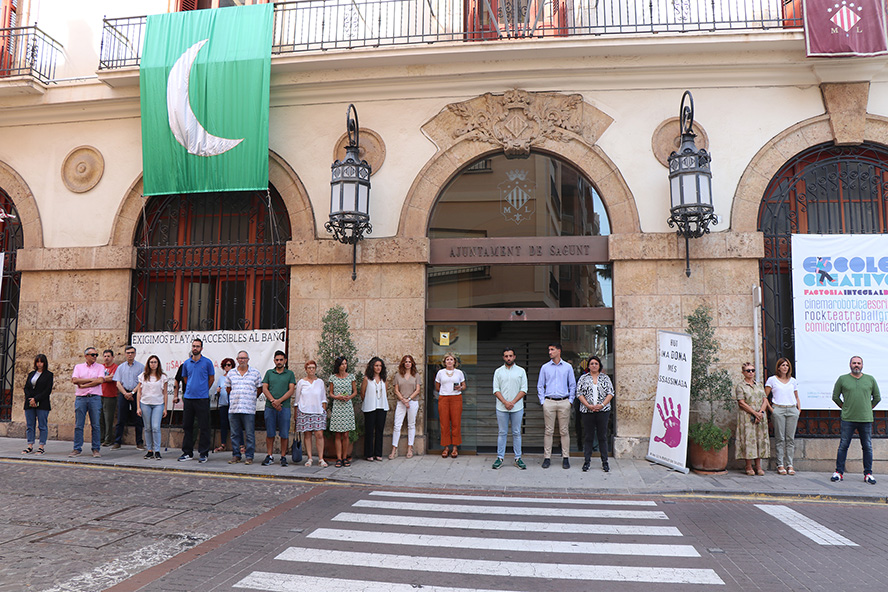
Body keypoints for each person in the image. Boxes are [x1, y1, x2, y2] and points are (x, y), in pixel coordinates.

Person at [831, 356, 881, 484]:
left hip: (865, 419)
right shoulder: (843, 379)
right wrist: (845, 407)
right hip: (848, 418)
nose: (856, 365)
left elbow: (877, 397)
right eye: (854, 363)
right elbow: (835, 397)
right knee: (843, 445)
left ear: (862, 365)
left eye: (859, 363)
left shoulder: (870, 379)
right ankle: (839, 473)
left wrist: (867, 408)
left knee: (867, 446)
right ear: (850, 365)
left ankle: (868, 474)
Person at [175, 339, 215, 463]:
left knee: (204, 427)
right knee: (187, 426)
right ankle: (187, 452)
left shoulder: (207, 362)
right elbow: (185, 378)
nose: (195, 348)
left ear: (201, 348)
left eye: (198, 346)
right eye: (193, 346)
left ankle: (203, 453)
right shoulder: (186, 363)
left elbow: (211, 378)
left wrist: (202, 389)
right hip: (188, 399)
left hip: (202, 399)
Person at [537, 343, 576, 469]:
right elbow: (540, 385)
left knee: (564, 431)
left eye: (552, 350)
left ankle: (565, 457)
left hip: (564, 402)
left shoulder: (568, 367)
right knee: (548, 431)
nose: (550, 352)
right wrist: (543, 401)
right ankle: (547, 457)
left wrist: (570, 401)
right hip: (549, 402)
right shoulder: (545, 367)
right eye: (549, 350)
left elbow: (572, 385)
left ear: (559, 351)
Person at [576, 355, 614, 473]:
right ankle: (587, 461)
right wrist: (588, 405)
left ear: (599, 366)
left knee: (602, 436)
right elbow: (579, 393)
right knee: (588, 436)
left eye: (596, 364)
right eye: (591, 363)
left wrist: (601, 405)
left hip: (603, 411)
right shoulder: (583, 378)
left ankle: (605, 462)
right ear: (588, 366)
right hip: (587, 411)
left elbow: (611, 393)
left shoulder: (605, 378)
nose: (594, 365)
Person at [492, 348, 527, 470]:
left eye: (510, 356)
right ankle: (500, 457)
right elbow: (496, 390)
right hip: (501, 408)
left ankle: (518, 458)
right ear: (503, 357)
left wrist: (512, 402)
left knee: (516, 433)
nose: (508, 358)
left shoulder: (521, 371)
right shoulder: (498, 372)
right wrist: (505, 402)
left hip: (517, 407)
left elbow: (524, 389)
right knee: (502, 432)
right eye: (506, 356)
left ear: (514, 357)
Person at [765, 357, 801, 476]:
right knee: (780, 438)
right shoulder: (772, 380)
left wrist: (798, 409)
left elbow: (796, 396)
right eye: (783, 365)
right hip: (778, 408)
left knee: (790, 439)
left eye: (787, 365)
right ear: (778, 367)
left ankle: (790, 464)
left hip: (791, 409)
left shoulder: (793, 381)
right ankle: (780, 464)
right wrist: (772, 409)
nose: (785, 367)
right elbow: (765, 396)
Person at [226, 350, 263, 465]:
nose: (242, 360)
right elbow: (228, 389)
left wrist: (251, 398)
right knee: (234, 433)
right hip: (234, 408)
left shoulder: (255, 373)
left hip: (248, 408)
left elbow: (259, 389)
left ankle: (249, 456)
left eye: (244, 358)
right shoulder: (231, 373)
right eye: (240, 358)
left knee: (250, 433)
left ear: (248, 360)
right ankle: (236, 455)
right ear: (237, 360)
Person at [261, 350, 296, 467]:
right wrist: (273, 401)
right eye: (277, 360)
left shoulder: (290, 374)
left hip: (284, 407)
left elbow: (291, 390)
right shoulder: (269, 373)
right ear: (274, 361)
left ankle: (283, 456)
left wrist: (279, 401)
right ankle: (269, 455)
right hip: (270, 407)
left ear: (285, 361)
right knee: (270, 433)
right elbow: (264, 388)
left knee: (284, 433)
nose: (279, 362)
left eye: (281, 360)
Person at [735, 362, 771, 476]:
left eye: (753, 370)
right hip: (747, 417)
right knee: (749, 440)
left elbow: (765, 399)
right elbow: (741, 403)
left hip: (760, 416)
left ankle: (758, 466)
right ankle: (748, 465)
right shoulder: (740, 386)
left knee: (759, 439)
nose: (751, 372)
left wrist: (760, 413)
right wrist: (754, 413)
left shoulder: (759, 385)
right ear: (743, 373)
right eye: (748, 371)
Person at [70, 347, 106, 458]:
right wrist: (91, 380)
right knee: (79, 425)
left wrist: (84, 385)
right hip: (81, 398)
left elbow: (100, 380)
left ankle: (96, 448)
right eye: (92, 355)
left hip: (94, 398)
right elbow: (75, 380)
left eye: (96, 354)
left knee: (95, 424)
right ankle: (77, 448)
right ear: (86, 356)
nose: (95, 357)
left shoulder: (100, 367)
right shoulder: (78, 367)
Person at [112, 346, 145, 450]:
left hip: (136, 394)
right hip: (123, 393)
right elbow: (117, 383)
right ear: (125, 354)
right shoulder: (121, 367)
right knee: (121, 418)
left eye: (132, 353)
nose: (130, 355)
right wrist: (125, 393)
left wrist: (132, 392)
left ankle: (139, 442)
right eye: (128, 353)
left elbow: (141, 383)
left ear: (135, 354)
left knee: (138, 419)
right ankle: (117, 442)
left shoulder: (141, 367)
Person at [296, 360, 327, 467]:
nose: (311, 370)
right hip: (304, 411)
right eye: (309, 368)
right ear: (306, 369)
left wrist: (324, 411)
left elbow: (323, 398)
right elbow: (297, 399)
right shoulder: (301, 382)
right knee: (307, 435)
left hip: (318, 411)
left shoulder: (320, 382)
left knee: (319, 435)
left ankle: (321, 458)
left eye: (313, 367)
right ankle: (309, 458)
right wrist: (297, 413)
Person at [136, 355, 167, 460]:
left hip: (158, 404)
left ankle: (157, 450)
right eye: (151, 362)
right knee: (148, 427)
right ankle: (149, 450)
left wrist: (165, 408)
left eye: (155, 362)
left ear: (158, 364)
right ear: (148, 364)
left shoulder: (163, 377)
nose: (153, 364)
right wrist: (138, 407)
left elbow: (165, 393)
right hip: (145, 403)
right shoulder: (143, 376)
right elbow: (139, 392)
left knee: (155, 427)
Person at [435, 353, 466, 459]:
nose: (449, 361)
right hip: (444, 398)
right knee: (444, 423)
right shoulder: (440, 372)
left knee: (456, 423)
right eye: (447, 359)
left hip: (456, 398)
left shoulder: (459, 372)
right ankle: (446, 447)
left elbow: (464, 385)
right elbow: (437, 386)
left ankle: (455, 447)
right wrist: (445, 392)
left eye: (451, 359)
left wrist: (460, 388)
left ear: (455, 361)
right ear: (444, 362)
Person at [390, 354, 421, 460]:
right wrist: (403, 400)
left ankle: (410, 448)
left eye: (409, 362)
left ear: (412, 363)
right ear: (403, 363)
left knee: (411, 425)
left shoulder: (416, 375)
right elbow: (396, 390)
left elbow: (417, 390)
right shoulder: (398, 375)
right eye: (406, 362)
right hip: (401, 402)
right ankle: (394, 449)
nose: (408, 363)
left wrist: (409, 399)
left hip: (412, 402)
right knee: (397, 425)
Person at [328, 356, 357, 468]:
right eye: (342, 364)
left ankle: (345, 457)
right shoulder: (332, 378)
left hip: (347, 406)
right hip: (337, 406)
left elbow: (355, 392)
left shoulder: (351, 377)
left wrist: (349, 397)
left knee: (346, 434)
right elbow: (330, 393)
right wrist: (337, 397)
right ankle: (338, 458)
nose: (344, 366)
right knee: (337, 434)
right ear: (338, 366)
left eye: (345, 364)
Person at [22, 354, 53, 456]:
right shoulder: (31, 374)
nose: (39, 364)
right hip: (30, 402)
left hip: (42, 403)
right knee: (30, 425)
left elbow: (47, 390)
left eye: (41, 362)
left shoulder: (49, 375)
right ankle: (30, 445)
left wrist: (36, 398)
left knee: (42, 425)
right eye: (37, 362)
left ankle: (41, 446)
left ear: (44, 363)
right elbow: (26, 387)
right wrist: (30, 399)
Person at [361, 357, 389, 462]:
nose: (378, 368)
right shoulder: (367, 379)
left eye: (380, 366)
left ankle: (378, 453)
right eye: (376, 365)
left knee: (379, 430)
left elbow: (385, 393)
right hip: (370, 407)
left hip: (381, 407)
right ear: (372, 366)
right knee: (369, 431)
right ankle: (368, 454)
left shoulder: (384, 380)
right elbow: (362, 393)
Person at [212, 358, 235, 453]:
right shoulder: (221, 378)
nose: (227, 367)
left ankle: (240, 445)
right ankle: (223, 444)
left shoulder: (235, 377)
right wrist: (217, 391)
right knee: (223, 424)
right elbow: (218, 390)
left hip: (233, 404)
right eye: (225, 365)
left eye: (229, 365)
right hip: (223, 403)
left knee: (235, 424)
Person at [99, 349, 118, 447]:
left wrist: (102, 379)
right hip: (99, 395)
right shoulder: (100, 367)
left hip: (110, 396)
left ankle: (108, 439)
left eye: (108, 356)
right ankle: (100, 438)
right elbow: (96, 378)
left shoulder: (115, 367)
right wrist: (105, 378)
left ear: (112, 357)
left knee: (108, 419)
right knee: (99, 418)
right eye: (105, 356)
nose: (106, 358)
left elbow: (112, 378)